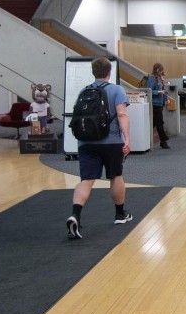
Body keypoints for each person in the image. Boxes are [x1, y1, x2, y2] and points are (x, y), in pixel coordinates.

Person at [66, 57, 132, 239]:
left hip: (86, 142)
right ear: (109, 72)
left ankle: (75, 215)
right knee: (116, 176)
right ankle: (120, 214)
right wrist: (127, 138)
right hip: (110, 141)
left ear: (93, 72)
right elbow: (122, 114)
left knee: (86, 180)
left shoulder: (84, 90)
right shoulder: (116, 90)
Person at [146, 62, 171, 149]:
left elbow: (163, 89)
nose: (161, 72)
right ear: (157, 70)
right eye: (160, 71)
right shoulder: (151, 79)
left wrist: (166, 98)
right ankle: (163, 141)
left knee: (154, 123)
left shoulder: (160, 78)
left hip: (160, 103)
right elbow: (149, 91)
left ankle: (146, 138)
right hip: (154, 104)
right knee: (159, 122)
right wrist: (158, 92)